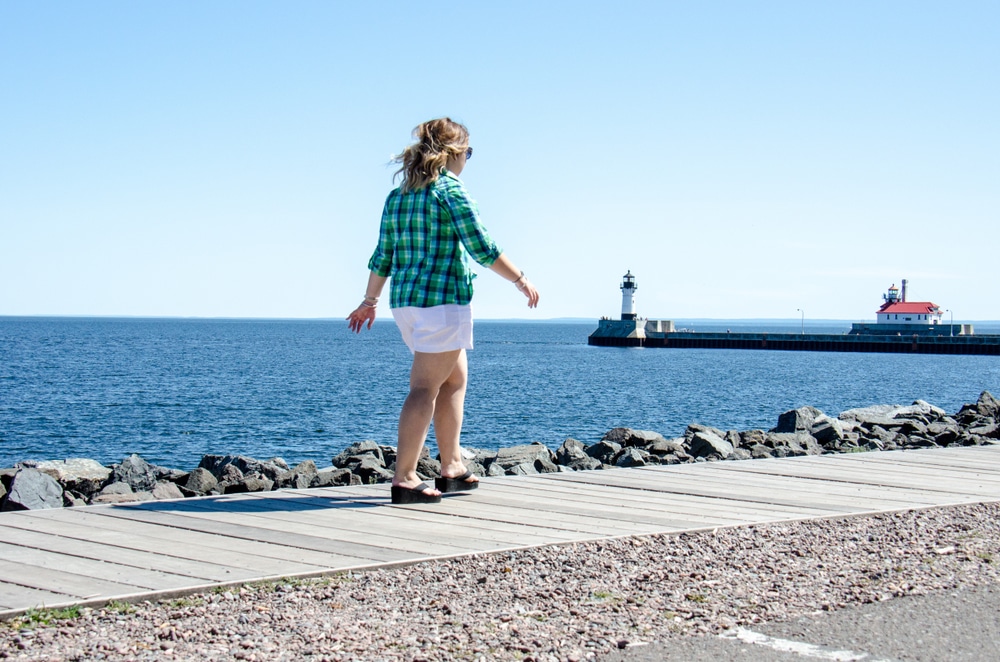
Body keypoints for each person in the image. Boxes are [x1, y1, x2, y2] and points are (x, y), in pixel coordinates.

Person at [347, 118, 539, 504]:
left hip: (407, 305)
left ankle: (451, 466)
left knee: (453, 379)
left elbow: (383, 255)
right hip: (442, 302)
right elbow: (482, 246)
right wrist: (521, 280)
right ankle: (405, 477)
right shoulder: (450, 190)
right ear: (454, 153)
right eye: (468, 153)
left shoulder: (399, 195)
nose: (468, 159)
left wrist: (370, 302)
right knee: (424, 388)